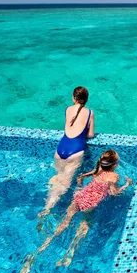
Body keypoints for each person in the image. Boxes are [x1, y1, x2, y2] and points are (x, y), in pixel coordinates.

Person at [20, 150, 132, 273]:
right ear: (115, 165)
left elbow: (80, 178)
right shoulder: (114, 176)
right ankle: (68, 255)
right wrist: (127, 185)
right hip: (90, 205)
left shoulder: (97, 170)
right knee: (82, 229)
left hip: (79, 198)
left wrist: (79, 189)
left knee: (62, 226)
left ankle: (37, 252)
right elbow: (114, 193)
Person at [37, 86, 95, 229]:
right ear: (86, 99)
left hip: (61, 148)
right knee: (64, 185)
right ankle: (48, 210)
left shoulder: (68, 109)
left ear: (73, 98)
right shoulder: (90, 113)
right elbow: (90, 135)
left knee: (58, 178)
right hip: (75, 151)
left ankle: (46, 207)